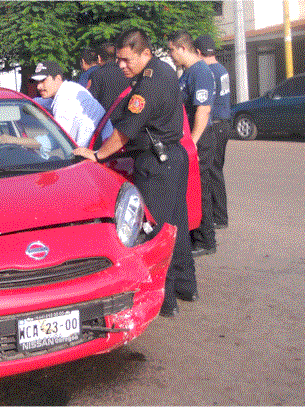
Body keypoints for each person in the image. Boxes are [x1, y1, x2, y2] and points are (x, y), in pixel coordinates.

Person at [74, 28, 195, 317]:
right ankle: (186, 285)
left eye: (126, 60)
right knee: (176, 223)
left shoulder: (146, 86)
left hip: (155, 163)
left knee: (154, 232)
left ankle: (165, 301)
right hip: (173, 156)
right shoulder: (164, 71)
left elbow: (124, 132)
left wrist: (97, 154)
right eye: (118, 60)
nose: (121, 65)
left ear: (145, 54)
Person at [168, 30, 217, 258]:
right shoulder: (188, 72)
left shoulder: (200, 72)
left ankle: (206, 240)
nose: (170, 54)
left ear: (182, 48)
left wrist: (193, 142)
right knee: (193, 188)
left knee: (202, 188)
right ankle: (197, 233)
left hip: (200, 138)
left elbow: (203, 109)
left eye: (171, 50)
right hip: (189, 137)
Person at [30, 60, 113, 147]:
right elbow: (44, 102)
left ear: (58, 78)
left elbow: (57, 141)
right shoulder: (69, 88)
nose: (38, 86)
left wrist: (17, 141)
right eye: (37, 82)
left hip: (97, 152)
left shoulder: (65, 100)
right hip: (100, 146)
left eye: (43, 81)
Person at [194, 34, 231, 230]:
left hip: (215, 124)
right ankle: (220, 215)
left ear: (198, 53)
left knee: (213, 172)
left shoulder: (207, 72)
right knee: (217, 170)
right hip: (224, 123)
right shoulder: (221, 69)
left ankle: (219, 216)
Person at [89, 42, 130, 123]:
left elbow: (92, 101)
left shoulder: (97, 74)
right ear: (116, 58)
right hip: (123, 122)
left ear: (99, 58)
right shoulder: (127, 73)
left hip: (104, 123)